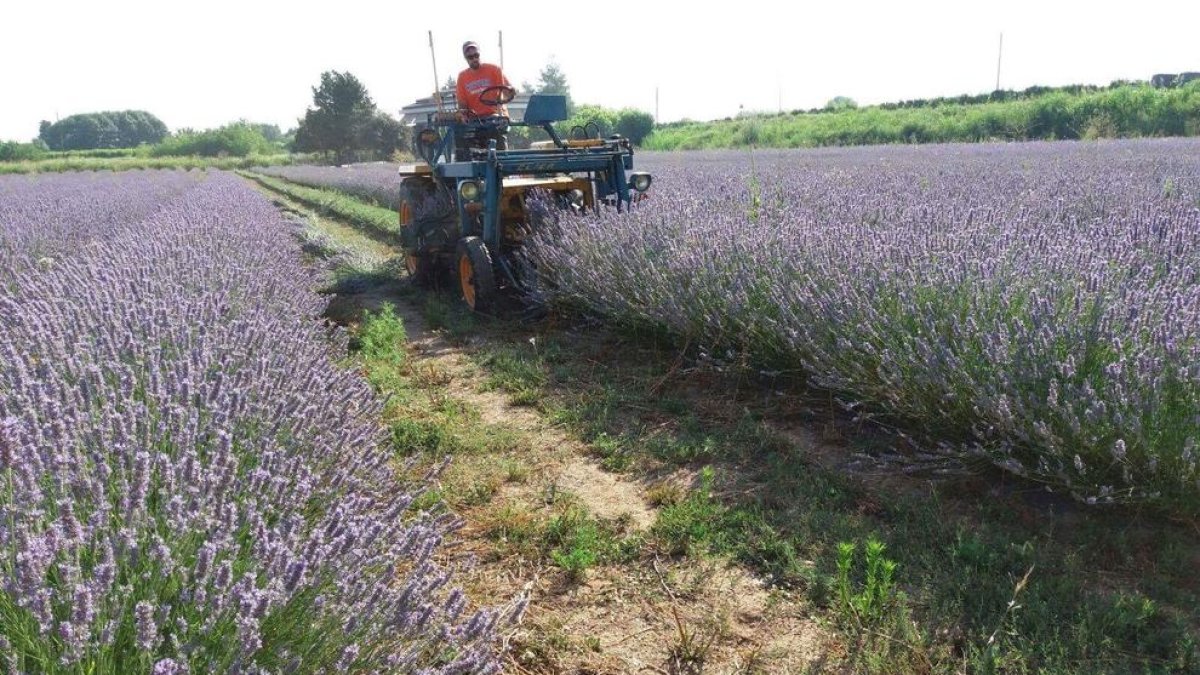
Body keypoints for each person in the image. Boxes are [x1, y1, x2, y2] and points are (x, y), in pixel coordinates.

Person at [455, 41, 512, 154]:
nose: (474, 59)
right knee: (459, 133)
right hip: (475, 119)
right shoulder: (462, 77)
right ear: (466, 58)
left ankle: (502, 160)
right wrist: (462, 115)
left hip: (494, 115)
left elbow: (508, 91)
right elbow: (462, 104)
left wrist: (511, 91)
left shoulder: (494, 69)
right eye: (470, 57)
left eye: (476, 55)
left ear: (480, 54)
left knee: (496, 128)